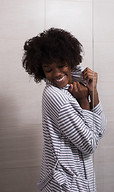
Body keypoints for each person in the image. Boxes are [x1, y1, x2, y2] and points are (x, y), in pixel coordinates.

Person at [22, 27, 106, 192]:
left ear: (70, 62)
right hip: (66, 185)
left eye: (62, 66)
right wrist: (83, 100)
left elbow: (100, 130)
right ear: (41, 71)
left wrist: (93, 91)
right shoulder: (55, 96)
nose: (57, 73)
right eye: (48, 69)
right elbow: (90, 145)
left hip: (82, 179)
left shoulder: (73, 87)